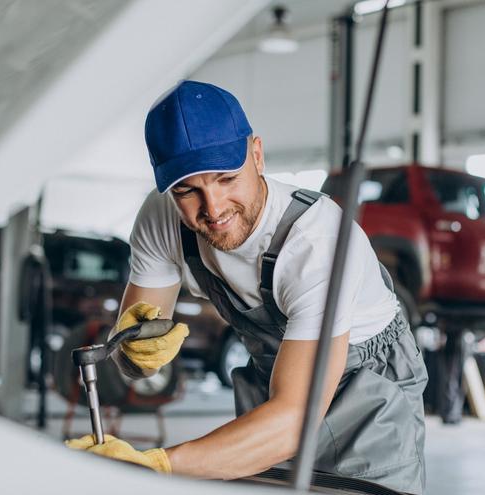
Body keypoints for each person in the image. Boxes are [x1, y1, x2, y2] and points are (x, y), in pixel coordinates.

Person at [67, 80, 428, 494]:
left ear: (256, 154)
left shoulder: (315, 242)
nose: (214, 208)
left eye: (226, 179)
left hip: (367, 387)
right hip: (276, 376)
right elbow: (135, 366)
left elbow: (293, 420)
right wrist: (135, 352)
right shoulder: (160, 217)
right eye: (188, 190)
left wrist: (160, 465)